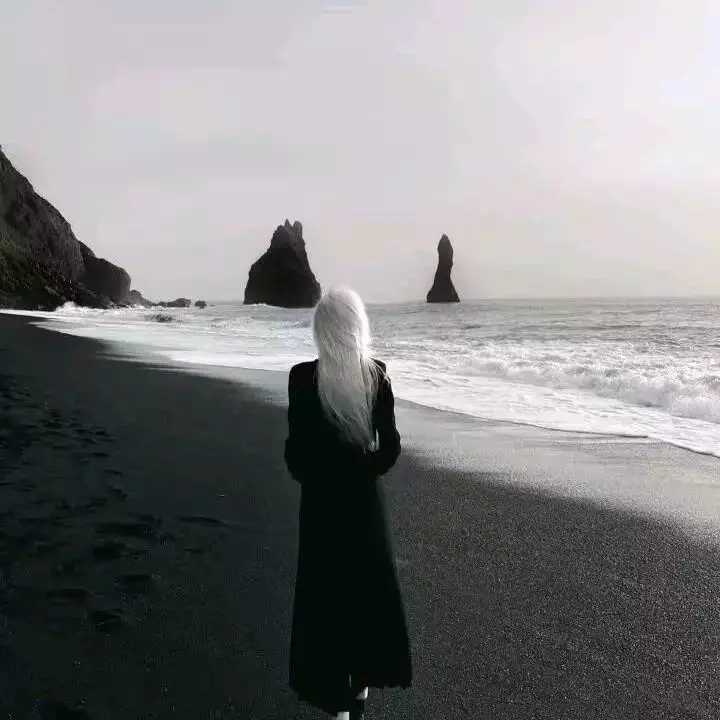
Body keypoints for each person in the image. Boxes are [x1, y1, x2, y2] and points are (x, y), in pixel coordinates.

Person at [284, 287, 412, 720]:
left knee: (325, 601)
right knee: (364, 595)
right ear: (358, 326)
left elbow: (295, 456)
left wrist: (321, 476)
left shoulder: (301, 379)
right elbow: (390, 449)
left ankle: (338, 702)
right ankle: (358, 691)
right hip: (363, 506)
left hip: (321, 507)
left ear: (321, 330)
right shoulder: (376, 375)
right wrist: (361, 470)